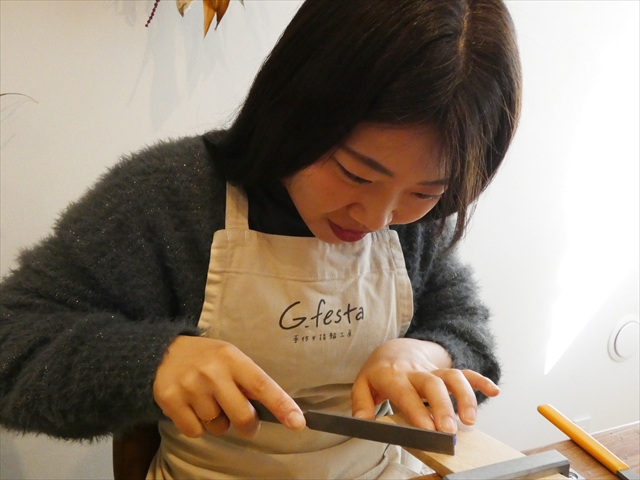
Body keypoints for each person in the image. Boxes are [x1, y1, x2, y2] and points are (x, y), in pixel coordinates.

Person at [0, 0, 521, 478]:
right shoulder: (171, 198)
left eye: (427, 192)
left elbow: (469, 336)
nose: (378, 217)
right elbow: (12, 343)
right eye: (356, 174)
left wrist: (430, 354)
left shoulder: (414, 226)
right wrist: (152, 360)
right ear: (294, 111)